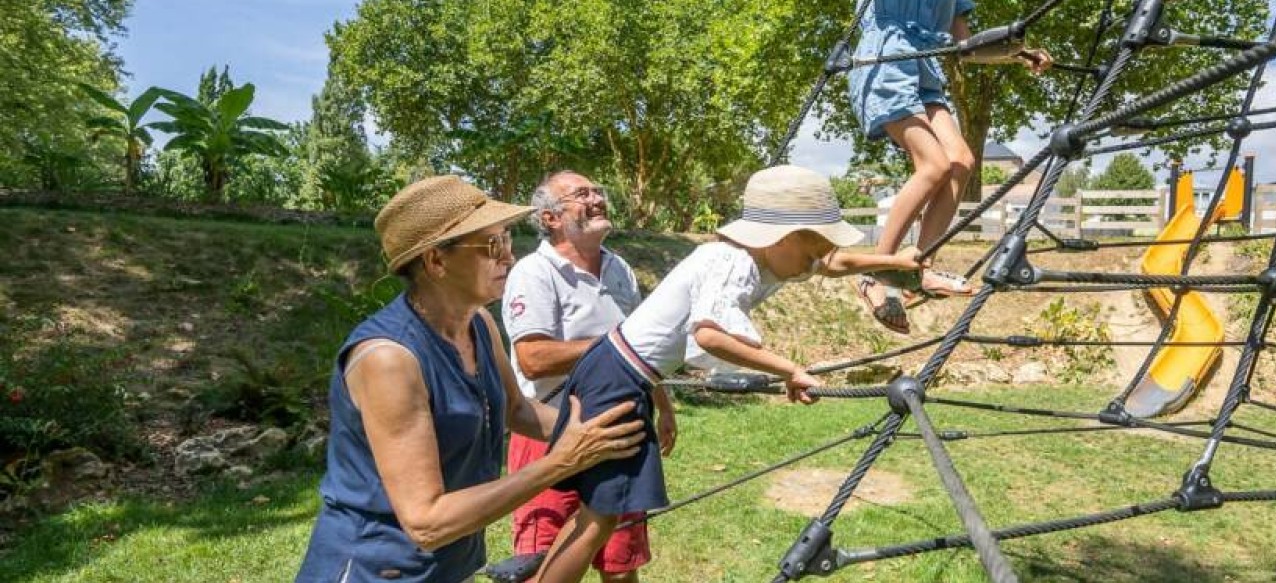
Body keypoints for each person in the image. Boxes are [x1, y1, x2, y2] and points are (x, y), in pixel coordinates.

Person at [531, 165, 925, 583]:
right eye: (811, 249)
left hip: (620, 374)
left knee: (598, 516)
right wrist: (790, 368)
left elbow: (833, 262)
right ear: (783, 238)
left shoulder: (758, 259)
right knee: (598, 521)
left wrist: (895, 261)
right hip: (617, 380)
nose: (815, 261)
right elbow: (711, 336)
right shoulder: (729, 262)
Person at [295, 175, 646, 583]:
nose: (509, 258)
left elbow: (517, 410)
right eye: (492, 245)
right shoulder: (389, 359)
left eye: (508, 240)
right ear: (436, 261)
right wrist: (564, 460)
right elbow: (426, 522)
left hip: (447, 567)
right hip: (375, 571)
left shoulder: (478, 323)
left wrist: (600, 433)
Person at [847, 0, 1053, 333]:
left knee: (961, 161)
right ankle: (873, 275)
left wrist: (1018, 53)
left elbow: (966, 46)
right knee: (934, 165)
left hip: (925, 68)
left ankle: (921, 268)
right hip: (885, 61)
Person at [500, 171, 654, 582]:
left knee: (621, 561)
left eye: (598, 190)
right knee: (544, 562)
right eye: (582, 194)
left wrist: (664, 405)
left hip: (619, 428)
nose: (598, 198)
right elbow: (533, 358)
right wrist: (614, 345)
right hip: (547, 432)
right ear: (550, 218)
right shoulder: (534, 272)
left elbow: (642, 349)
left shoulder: (620, 268)